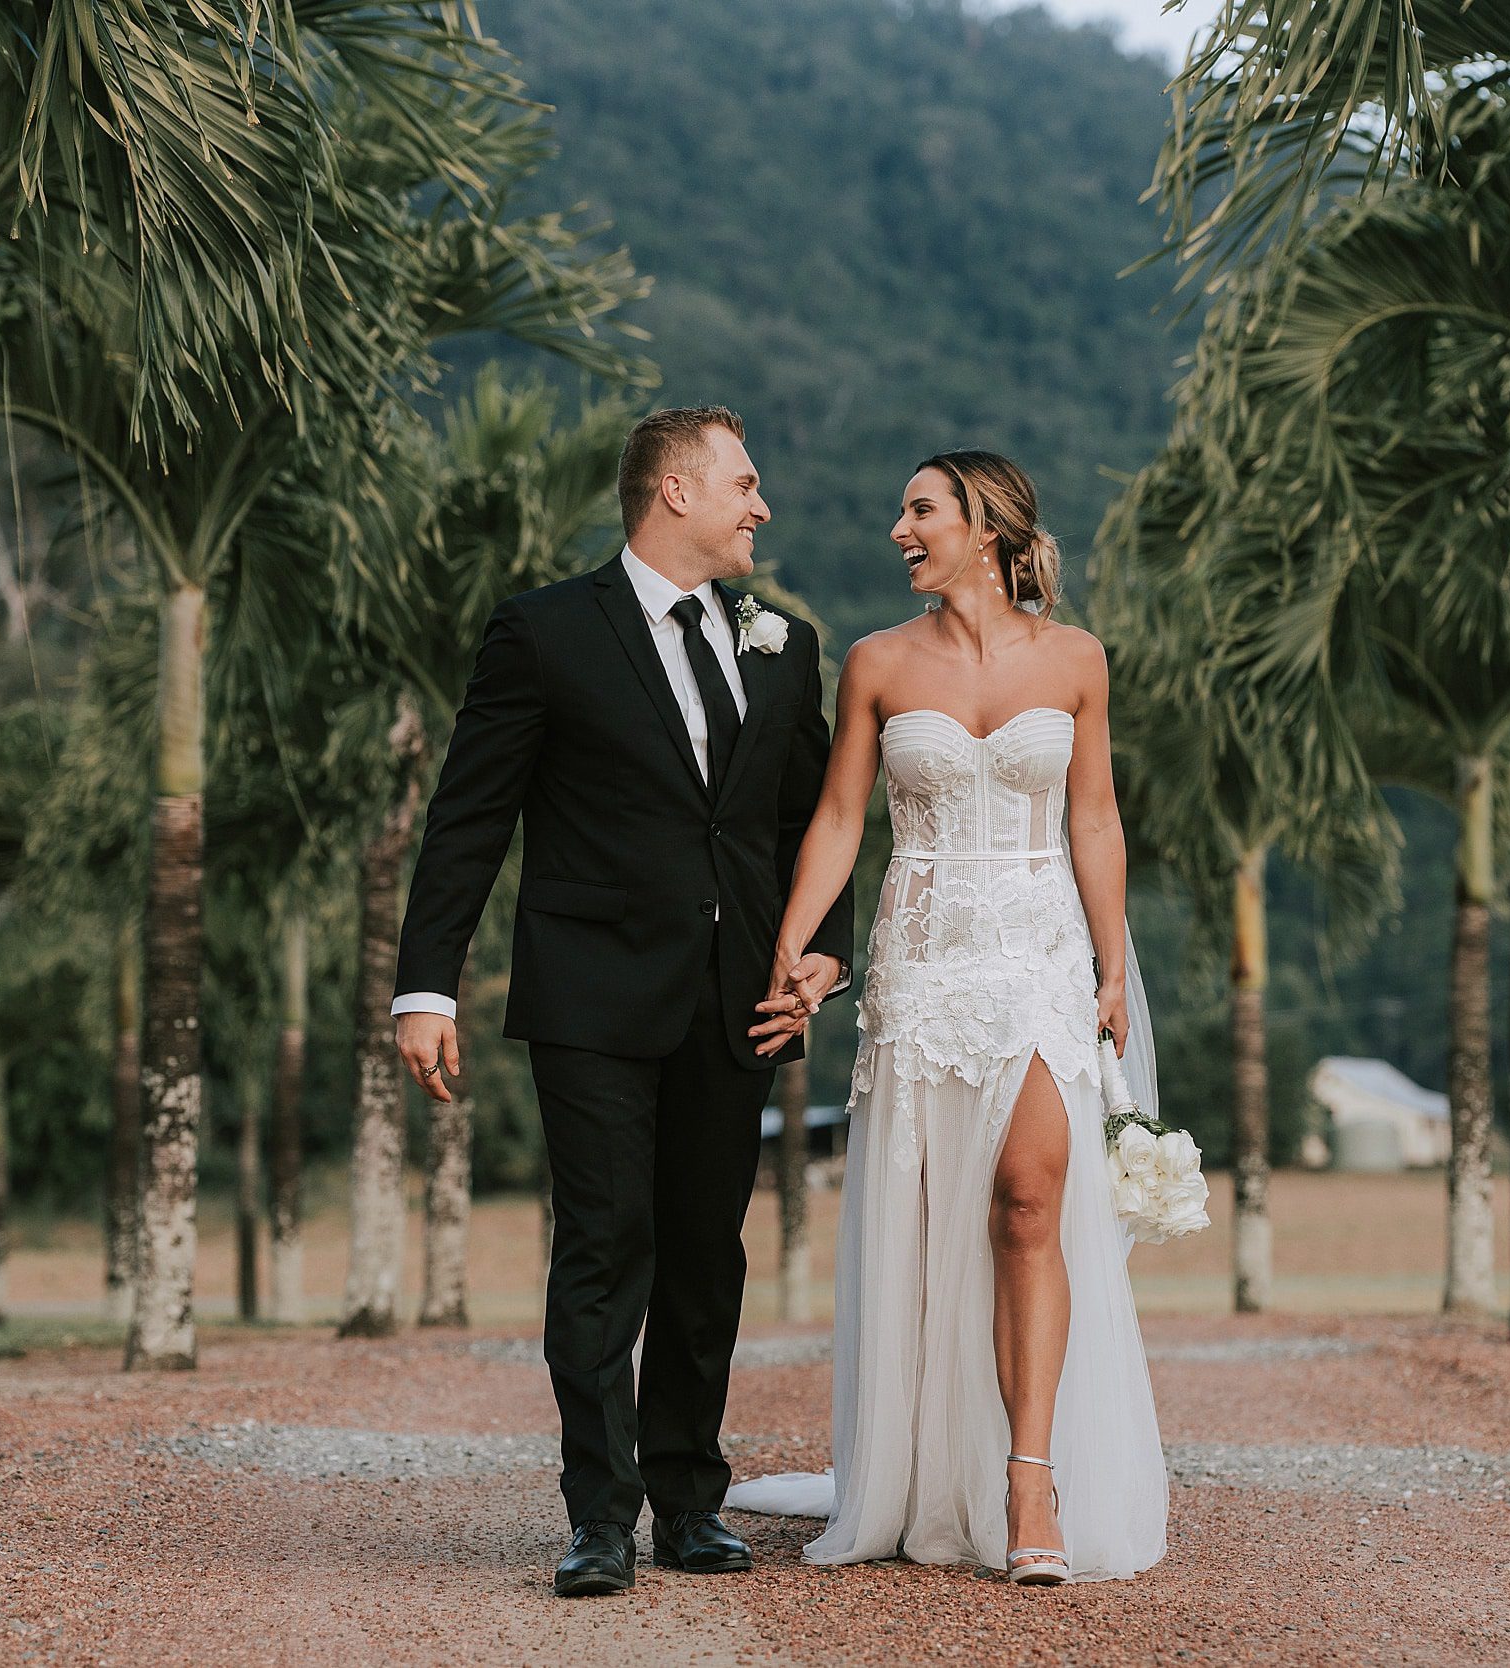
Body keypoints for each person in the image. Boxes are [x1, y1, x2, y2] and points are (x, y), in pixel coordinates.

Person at [390, 406, 856, 1598]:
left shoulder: (783, 645)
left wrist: (821, 956)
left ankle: (690, 1501)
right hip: (592, 994)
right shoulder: (545, 632)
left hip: (739, 996)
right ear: (674, 493)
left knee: (707, 1251)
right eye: (744, 484)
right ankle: (598, 1516)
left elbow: (816, 821)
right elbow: (471, 816)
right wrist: (426, 985)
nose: (762, 506)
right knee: (605, 1247)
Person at [737, 449, 1169, 1583]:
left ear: (984, 526)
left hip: (1038, 956)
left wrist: (1110, 970)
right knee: (932, 1225)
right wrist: (794, 939)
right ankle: (929, 1473)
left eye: (919, 509)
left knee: (1030, 1199)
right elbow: (839, 819)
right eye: (902, 509)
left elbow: (1096, 823)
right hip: (922, 964)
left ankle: (1031, 1484)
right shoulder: (877, 663)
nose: (898, 528)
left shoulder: (1076, 660)